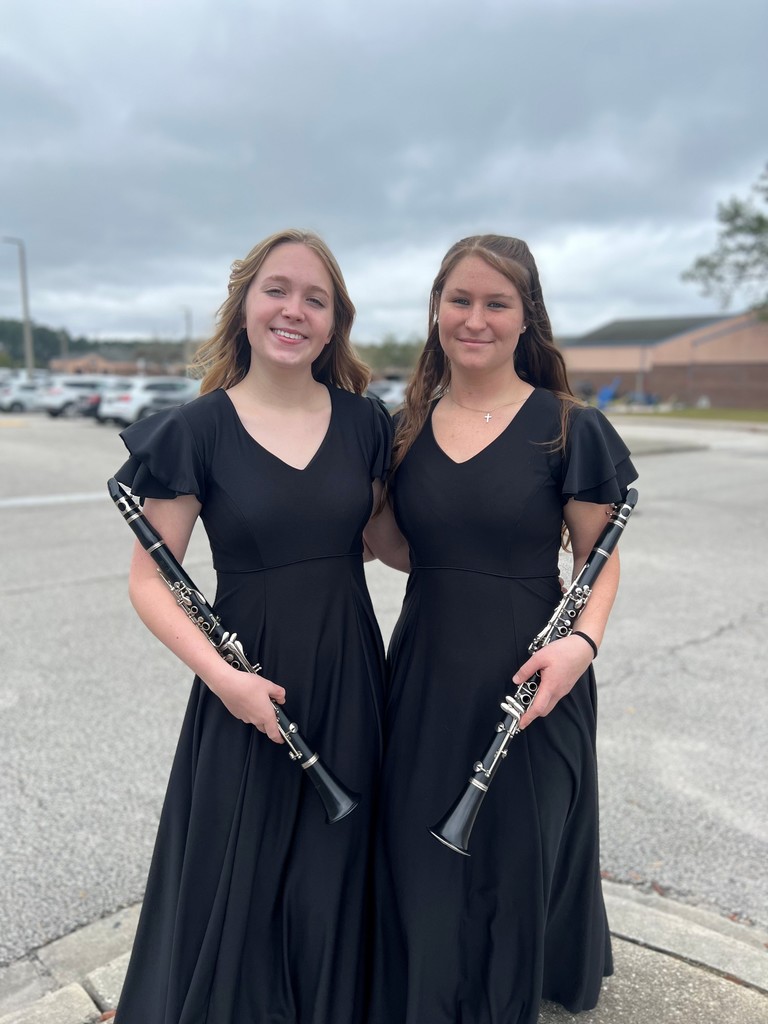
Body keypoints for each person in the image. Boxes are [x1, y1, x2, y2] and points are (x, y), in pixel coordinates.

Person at [108, 229, 392, 1024]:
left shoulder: (367, 423)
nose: (293, 310)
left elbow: (385, 541)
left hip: (349, 672)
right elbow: (149, 583)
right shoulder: (193, 431)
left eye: (316, 298)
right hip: (244, 680)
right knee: (244, 866)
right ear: (244, 306)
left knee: (333, 870)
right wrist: (224, 680)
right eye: (277, 290)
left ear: (335, 323)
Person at [364, 234, 638, 1024]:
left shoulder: (568, 425)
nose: (474, 318)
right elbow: (398, 553)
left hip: (535, 669)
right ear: (436, 311)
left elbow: (599, 562)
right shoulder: (403, 424)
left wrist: (580, 648)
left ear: (526, 319)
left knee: (517, 854)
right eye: (460, 300)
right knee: (422, 849)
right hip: (426, 666)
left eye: (496, 303)